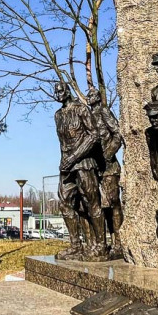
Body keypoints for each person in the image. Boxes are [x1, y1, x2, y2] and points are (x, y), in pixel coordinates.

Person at [54, 81, 107, 260]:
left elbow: (94, 136)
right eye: (56, 92)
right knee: (64, 203)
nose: (58, 94)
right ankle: (76, 245)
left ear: (68, 91)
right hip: (66, 167)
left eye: (61, 91)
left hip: (84, 163)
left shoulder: (82, 109)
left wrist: (75, 156)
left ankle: (101, 246)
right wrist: (64, 163)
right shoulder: (58, 115)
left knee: (91, 203)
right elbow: (62, 143)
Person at [85, 87, 123, 251]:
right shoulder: (87, 116)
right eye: (88, 96)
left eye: (92, 95)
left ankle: (119, 242)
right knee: (98, 206)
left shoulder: (103, 111)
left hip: (109, 168)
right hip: (95, 169)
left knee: (113, 204)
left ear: (99, 97)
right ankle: (102, 243)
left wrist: (108, 153)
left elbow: (117, 133)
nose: (89, 98)